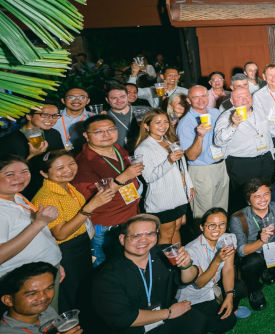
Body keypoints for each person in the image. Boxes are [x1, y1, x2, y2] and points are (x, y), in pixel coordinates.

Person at [89, 214, 206, 334]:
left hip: (159, 322)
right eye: (136, 236)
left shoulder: (164, 253)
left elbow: (188, 279)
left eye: (150, 234)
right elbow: (126, 319)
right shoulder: (106, 276)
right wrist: (168, 313)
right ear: (122, 239)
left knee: (197, 322)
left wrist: (186, 265)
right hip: (130, 333)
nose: (143, 240)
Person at [32, 150, 115, 310]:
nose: (68, 170)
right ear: (44, 173)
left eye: (71, 164)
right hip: (66, 251)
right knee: (73, 296)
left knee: (84, 291)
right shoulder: (47, 197)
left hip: (81, 245)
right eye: (60, 168)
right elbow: (60, 233)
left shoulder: (67, 186)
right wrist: (91, 206)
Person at [72, 115, 143, 266]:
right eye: (99, 132)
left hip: (130, 215)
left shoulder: (117, 148)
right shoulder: (83, 163)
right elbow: (94, 200)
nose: (106, 135)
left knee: (131, 262)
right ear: (86, 135)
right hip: (107, 226)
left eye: (111, 129)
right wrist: (123, 177)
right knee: (109, 268)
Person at [229, 180, 275, 311]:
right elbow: (241, 250)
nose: (263, 199)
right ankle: (255, 290)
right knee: (251, 263)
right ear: (248, 201)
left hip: (274, 247)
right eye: (257, 196)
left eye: (266, 194)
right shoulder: (238, 218)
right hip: (254, 253)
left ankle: (267, 271)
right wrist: (261, 241)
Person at [177, 209, 241, 334]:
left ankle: (225, 304)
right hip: (196, 295)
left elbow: (228, 269)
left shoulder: (228, 238)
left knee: (239, 288)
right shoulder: (191, 250)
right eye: (211, 225)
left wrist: (229, 296)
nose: (217, 229)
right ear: (201, 227)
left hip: (215, 286)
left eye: (222, 224)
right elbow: (199, 283)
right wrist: (217, 260)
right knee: (224, 324)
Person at [134, 110, 192, 246]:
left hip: (178, 195)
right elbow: (149, 177)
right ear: (146, 126)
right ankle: (163, 265)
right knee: (165, 236)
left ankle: (178, 262)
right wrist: (169, 161)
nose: (163, 125)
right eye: (157, 122)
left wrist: (189, 185)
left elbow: (182, 167)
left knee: (177, 228)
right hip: (162, 200)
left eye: (166, 122)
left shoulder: (169, 141)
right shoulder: (143, 149)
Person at [0, 155, 61, 282]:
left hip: (46, 268)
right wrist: (39, 223)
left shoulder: (16, 196)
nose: (20, 178)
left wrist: (54, 262)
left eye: (24, 172)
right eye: (10, 174)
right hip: (24, 279)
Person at [215, 86, 275, 212]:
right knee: (243, 201)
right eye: (239, 97)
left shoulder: (259, 111)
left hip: (265, 161)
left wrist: (272, 154)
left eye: (247, 96)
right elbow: (218, 141)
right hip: (242, 165)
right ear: (232, 101)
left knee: (266, 197)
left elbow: (267, 134)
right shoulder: (226, 116)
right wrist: (233, 125)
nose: (244, 100)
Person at [178, 85, 228, 221]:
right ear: (189, 100)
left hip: (221, 166)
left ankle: (221, 241)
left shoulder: (215, 113)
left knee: (222, 211)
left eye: (204, 96)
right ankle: (202, 242)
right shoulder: (185, 123)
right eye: (195, 97)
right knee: (204, 215)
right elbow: (191, 156)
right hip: (201, 171)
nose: (201, 100)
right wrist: (199, 136)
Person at [104, 86, 142, 151]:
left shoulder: (143, 111)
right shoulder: (104, 118)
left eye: (122, 97)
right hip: (120, 157)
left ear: (127, 97)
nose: (119, 101)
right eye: (114, 98)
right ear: (107, 100)